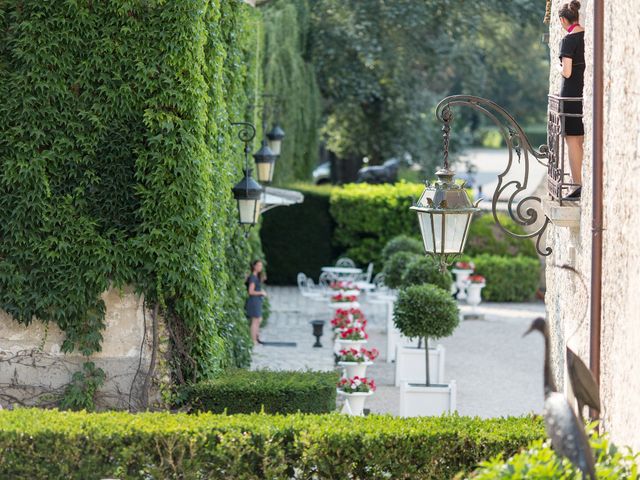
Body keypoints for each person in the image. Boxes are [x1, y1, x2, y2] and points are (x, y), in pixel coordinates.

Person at [558, 1, 585, 200]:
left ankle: (577, 186)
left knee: (573, 142)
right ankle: (580, 182)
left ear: (562, 20)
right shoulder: (587, 36)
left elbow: (567, 72)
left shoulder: (568, 40)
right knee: (581, 141)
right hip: (584, 95)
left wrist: (560, 67)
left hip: (570, 96)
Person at [246, 259, 267, 346]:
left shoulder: (256, 277)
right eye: (258, 265)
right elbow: (251, 291)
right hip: (254, 300)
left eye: (261, 266)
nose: (260, 268)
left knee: (258, 320)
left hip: (257, 301)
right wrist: (261, 292)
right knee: (255, 321)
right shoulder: (253, 277)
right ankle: (253, 340)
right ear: (254, 266)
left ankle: (256, 338)